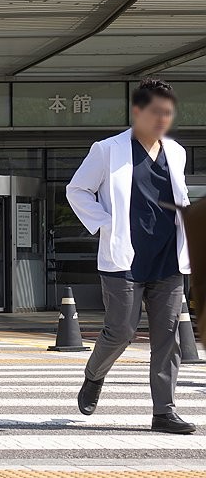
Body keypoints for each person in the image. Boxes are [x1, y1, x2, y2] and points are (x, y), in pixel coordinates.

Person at [67, 78, 196, 436]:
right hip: (124, 258)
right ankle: (94, 375)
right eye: (155, 112)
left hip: (168, 258)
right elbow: (77, 189)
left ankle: (164, 411)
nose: (162, 120)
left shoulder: (176, 152)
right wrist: (104, 224)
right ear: (137, 112)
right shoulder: (107, 150)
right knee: (121, 330)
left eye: (167, 113)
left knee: (167, 337)